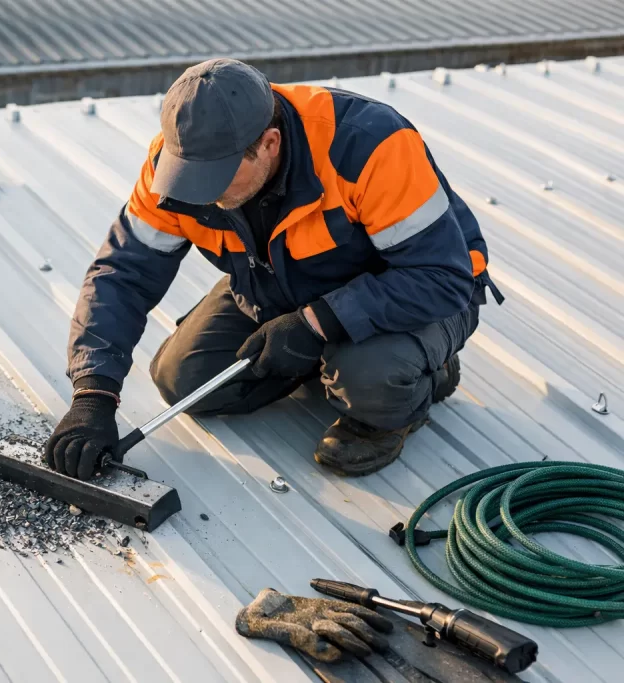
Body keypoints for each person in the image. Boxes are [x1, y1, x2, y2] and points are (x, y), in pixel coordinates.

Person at [44, 57, 503, 480]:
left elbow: (441, 277)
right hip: (276, 285)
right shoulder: (174, 165)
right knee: (183, 378)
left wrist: (315, 324)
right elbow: (123, 274)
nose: (204, 196)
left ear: (269, 143)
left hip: (419, 292)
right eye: (191, 178)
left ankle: (422, 378)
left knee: (368, 377)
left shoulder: (369, 145)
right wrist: (93, 395)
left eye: (217, 179)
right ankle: (323, 358)